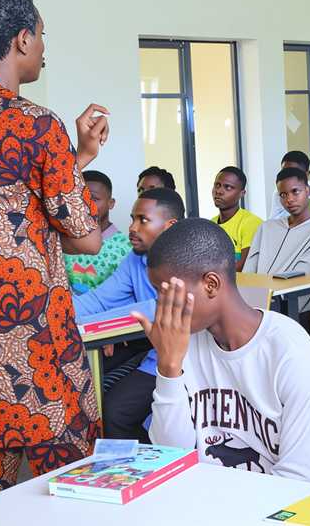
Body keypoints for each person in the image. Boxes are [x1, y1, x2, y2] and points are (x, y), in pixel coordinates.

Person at [0, 0, 109, 505]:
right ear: (21, 39)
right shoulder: (37, 125)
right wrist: (71, 158)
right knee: (76, 502)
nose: (42, 47)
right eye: (41, 36)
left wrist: (74, 160)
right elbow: (85, 238)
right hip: (38, 361)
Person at [139, 219, 310, 483]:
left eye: (167, 294)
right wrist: (168, 367)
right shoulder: (183, 344)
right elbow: (171, 457)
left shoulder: (289, 351)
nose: (161, 308)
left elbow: (298, 479)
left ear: (210, 284)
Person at [74, 188, 185, 441]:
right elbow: (99, 300)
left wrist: (87, 326)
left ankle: (149, 470)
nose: (133, 227)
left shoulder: (185, 260)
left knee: (116, 411)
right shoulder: (135, 260)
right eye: (133, 219)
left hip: (177, 355)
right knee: (88, 386)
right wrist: (53, 311)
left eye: (142, 220)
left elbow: (154, 310)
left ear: (170, 226)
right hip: (148, 347)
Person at [243, 168, 310, 282]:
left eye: (295, 191)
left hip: (289, 296)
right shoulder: (267, 227)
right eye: (283, 195)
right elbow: (249, 269)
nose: (289, 199)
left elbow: (304, 272)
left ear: (308, 190)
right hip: (255, 293)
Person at [64, 170, 130, 294]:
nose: (85, 204)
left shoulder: (125, 248)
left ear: (111, 203)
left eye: (94, 198)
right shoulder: (64, 239)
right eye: (80, 197)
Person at [211, 166, 262, 269]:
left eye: (228, 187)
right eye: (217, 185)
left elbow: (243, 266)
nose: (219, 191)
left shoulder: (251, 223)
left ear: (242, 194)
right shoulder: (211, 224)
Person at [269, 151, 310, 221]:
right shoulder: (278, 192)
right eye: (285, 172)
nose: (289, 176)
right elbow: (273, 219)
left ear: (307, 174)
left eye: (296, 172)